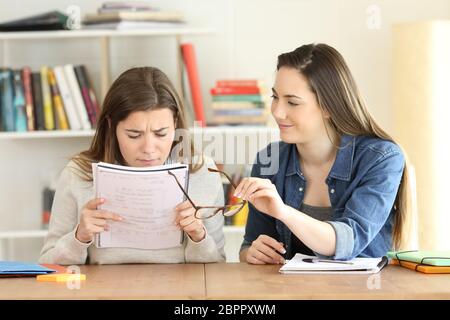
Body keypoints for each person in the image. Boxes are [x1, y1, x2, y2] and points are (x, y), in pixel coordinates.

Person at [237, 43, 411, 264]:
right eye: (275, 97)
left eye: (292, 102)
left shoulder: (381, 158)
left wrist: (284, 212)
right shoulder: (268, 161)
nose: (278, 112)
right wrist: (252, 253)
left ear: (329, 106)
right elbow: (250, 244)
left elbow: (348, 241)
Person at [39, 67, 225, 265]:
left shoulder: (203, 170)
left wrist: (198, 236)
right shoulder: (78, 173)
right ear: (111, 127)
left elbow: (217, 263)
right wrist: (79, 237)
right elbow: (47, 262)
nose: (148, 148)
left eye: (161, 133)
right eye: (134, 135)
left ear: (176, 124)